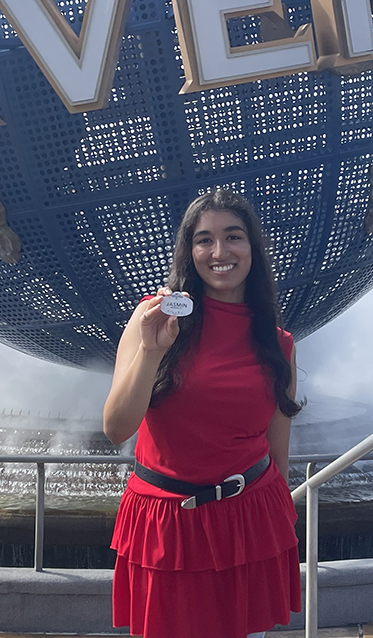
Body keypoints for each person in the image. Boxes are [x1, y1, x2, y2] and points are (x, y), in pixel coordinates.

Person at [103, 189, 301, 638]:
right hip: (168, 523)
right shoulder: (151, 320)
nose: (219, 252)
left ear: (253, 248)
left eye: (234, 237)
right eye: (204, 240)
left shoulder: (279, 344)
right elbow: (116, 428)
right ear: (189, 251)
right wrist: (153, 354)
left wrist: (273, 525)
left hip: (249, 517)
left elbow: (279, 455)